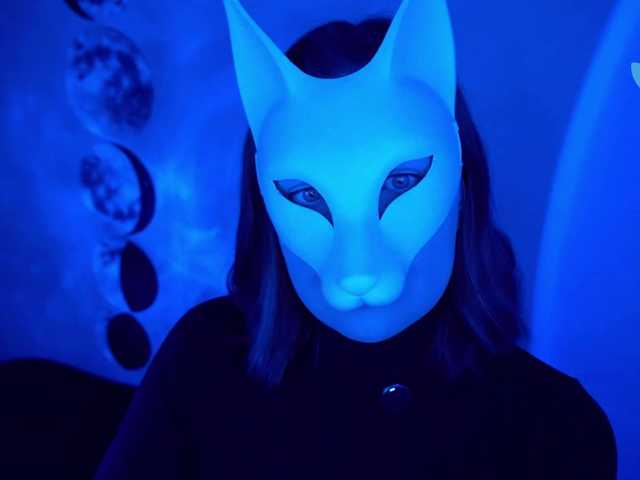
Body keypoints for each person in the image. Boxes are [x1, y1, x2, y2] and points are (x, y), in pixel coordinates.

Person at [94, 0, 618, 478]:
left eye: (402, 181)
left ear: (464, 183)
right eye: (305, 195)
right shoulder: (204, 360)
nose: (359, 269)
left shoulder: (557, 429)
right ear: (265, 205)